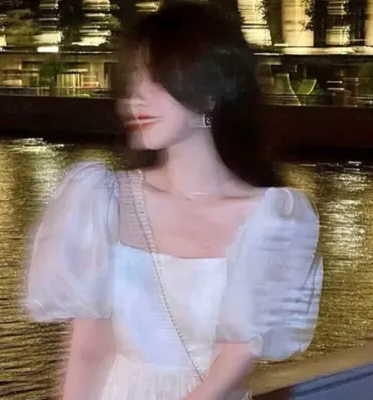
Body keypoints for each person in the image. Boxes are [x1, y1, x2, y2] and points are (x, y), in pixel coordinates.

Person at [23, 2, 323, 400]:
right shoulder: (103, 199)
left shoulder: (273, 219)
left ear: (209, 94)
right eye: (132, 82)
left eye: (156, 80)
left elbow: (237, 356)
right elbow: (88, 350)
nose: (135, 99)